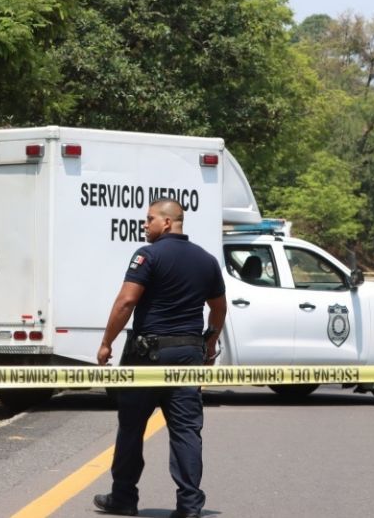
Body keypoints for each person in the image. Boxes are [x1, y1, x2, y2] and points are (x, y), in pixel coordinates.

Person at [93, 198, 226, 518]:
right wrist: (209, 343)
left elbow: (126, 301)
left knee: (131, 427)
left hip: (148, 356)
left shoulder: (147, 255)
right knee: (186, 430)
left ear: (166, 223)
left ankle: (123, 497)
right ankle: (190, 505)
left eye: (148, 218)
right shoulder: (206, 260)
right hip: (188, 355)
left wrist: (106, 342)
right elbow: (219, 308)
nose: (143, 224)